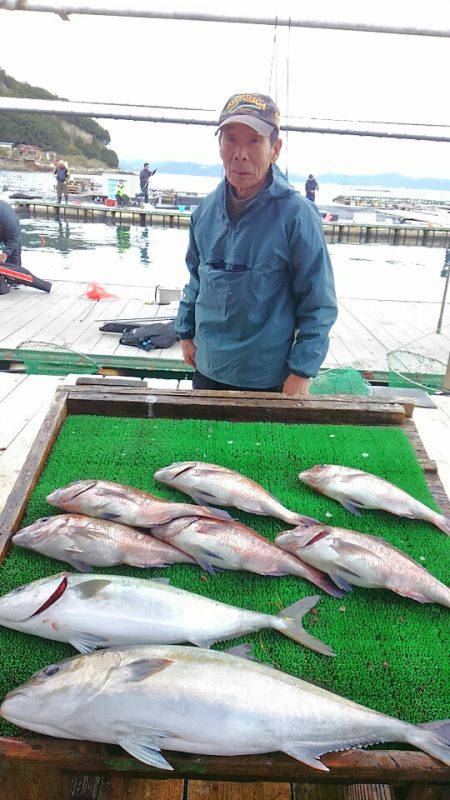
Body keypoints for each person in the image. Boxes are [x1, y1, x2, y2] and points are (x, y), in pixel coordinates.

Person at [176, 93, 337, 396]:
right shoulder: (204, 212)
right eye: (231, 139)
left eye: (254, 141)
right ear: (219, 146)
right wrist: (185, 333)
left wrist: (301, 371)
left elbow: (319, 301)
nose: (240, 153)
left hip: (265, 378)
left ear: (275, 149)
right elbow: (196, 278)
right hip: (207, 368)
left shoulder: (298, 216)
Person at [0, 199, 22, 266]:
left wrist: (5, 253)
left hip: (11, 232)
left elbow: (14, 238)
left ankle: (15, 272)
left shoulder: (8, 217)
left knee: (13, 255)